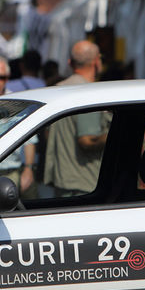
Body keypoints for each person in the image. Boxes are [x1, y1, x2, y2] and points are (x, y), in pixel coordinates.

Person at [43, 41, 108, 195]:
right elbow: (87, 139)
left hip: (61, 181)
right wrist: (118, 134)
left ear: (70, 63)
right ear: (96, 61)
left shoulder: (57, 90)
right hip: (85, 185)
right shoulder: (88, 94)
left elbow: (47, 134)